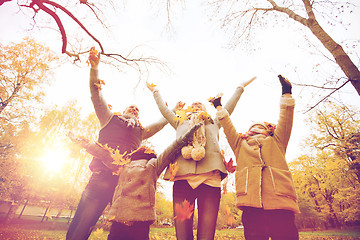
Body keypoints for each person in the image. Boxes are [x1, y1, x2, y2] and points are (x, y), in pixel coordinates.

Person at [66, 48, 172, 240]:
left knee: (122, 231)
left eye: (137, 109)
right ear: (124, 110)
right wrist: (95, 68)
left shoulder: (141, 131)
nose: (134, 108)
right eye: (131, 107)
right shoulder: (108, 118)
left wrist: (174, 110)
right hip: (100, 178)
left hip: (125, 184)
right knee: (82, 225)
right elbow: (95, 94)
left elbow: (163, 122)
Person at [147, 77, 255, 240]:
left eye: (200, 104)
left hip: (210, 178)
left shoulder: (214, 121)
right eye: (193, 104)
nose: (196, 105)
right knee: (183, 233)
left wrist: (240, 88)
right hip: (183, 179)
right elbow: (164, 110)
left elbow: (228, 109)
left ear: (206, 108)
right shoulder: (179, 121)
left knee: (206, 233)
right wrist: (155, 92)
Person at [70, 123, 203, 240]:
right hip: (128, 217)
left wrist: (85, 143)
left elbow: (169, 151)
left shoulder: (149, 165)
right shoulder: (134, 165)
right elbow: (104, 154)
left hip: (136, 218)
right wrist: (84, 143)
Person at [213, 75, 300, 240]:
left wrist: (286, 93)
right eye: (253, 128)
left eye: (260, 127)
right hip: (251, 206)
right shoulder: (240, 145)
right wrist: (218, 106)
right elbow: (227, 126)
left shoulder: (277, 141)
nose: (256, 129)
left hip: (280, 204)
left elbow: (286, 119)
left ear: (268, 130)